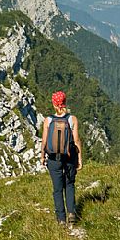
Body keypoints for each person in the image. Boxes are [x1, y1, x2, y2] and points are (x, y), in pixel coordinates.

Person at [41, 91, 82, 227]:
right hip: (69, 157)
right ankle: (71, 213)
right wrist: (79, 159)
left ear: (53, 103)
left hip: (53, 159)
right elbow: (76, 140)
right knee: (69, 185)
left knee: (57, 189)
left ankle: (61, 219)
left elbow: (44, 141)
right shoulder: (72, 119)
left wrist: (42, 156)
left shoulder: (48, 120)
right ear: (65, 102)